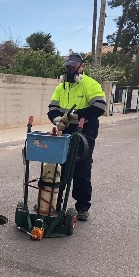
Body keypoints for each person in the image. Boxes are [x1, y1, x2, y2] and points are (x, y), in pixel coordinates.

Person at [47, 53, 106, 221]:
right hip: (65, 131)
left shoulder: (90, 84)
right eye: (68, 67)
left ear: (82, 66)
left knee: (81, 168)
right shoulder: (61, 87)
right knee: (60, 167)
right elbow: (52, 109)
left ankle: (82, 207)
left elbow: (99, 107)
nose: (70, 70)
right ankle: (55, 203)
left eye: (73, 67)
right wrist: (57, 120)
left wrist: (77, 115)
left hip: (85, 131)